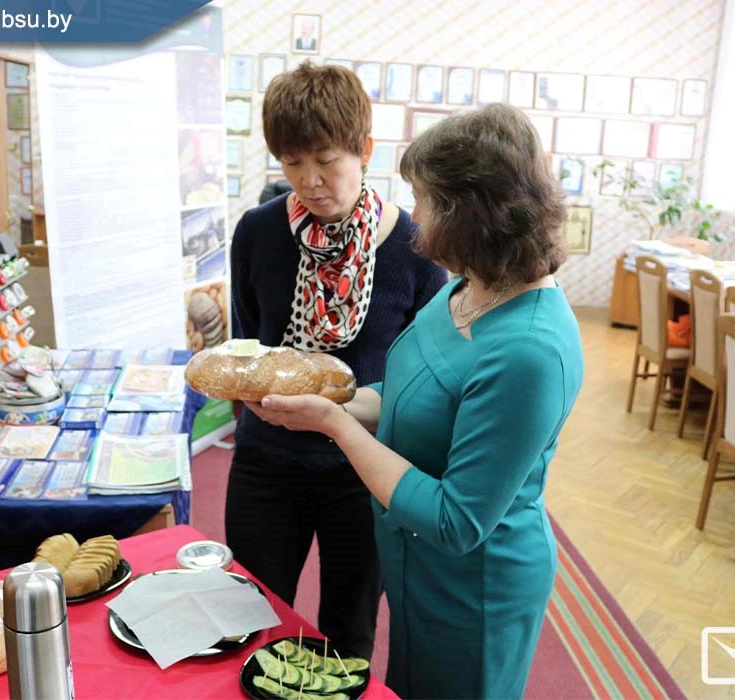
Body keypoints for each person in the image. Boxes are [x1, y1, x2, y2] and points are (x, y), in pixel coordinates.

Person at [247, 103, 584, 699]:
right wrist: (338, 401)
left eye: (426, 201)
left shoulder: (531, 351)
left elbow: (456, 521)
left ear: (471, 214)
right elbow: (412, 393)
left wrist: (335, 425)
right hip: (417, 569)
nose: (417, 217)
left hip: (474, 590)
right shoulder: (471, 286)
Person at [227, 62, 447, 660]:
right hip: (267, 460)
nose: (309, 180)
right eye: (291, 162)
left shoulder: (417, 250)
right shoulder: (257, 232)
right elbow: (248, 340)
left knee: (348, 632)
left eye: (326, 160)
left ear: (365, 150)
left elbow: (420, 379)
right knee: (249, 618)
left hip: (364, 468)